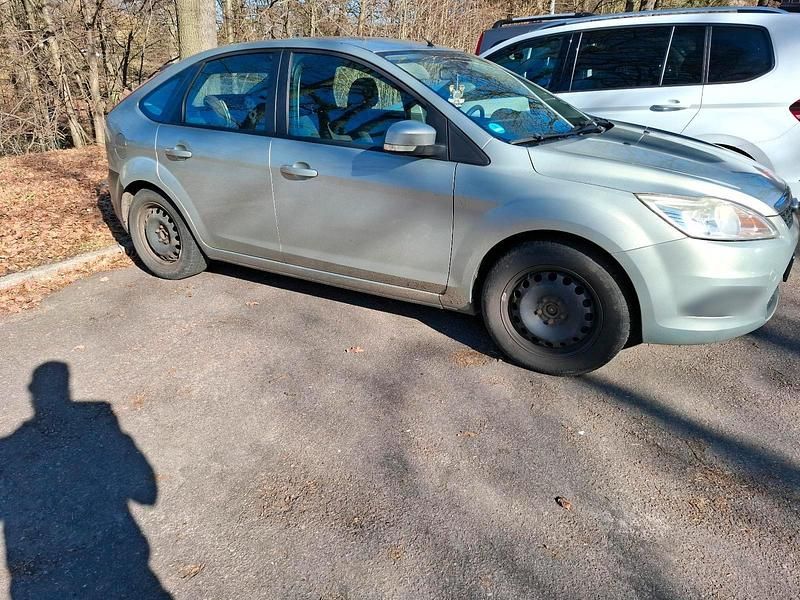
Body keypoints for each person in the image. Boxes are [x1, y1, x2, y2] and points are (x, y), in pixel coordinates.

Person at [0, 362, 171, 599]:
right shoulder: (100, 422)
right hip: (122, 567)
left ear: (31, 391)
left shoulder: (8, 451)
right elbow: (145, 492)